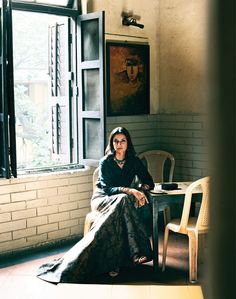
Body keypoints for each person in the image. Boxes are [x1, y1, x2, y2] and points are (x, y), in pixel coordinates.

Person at [37, 127, 155, 283]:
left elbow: (149, 182)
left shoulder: (134, 160)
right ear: (112, 143)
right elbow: (107, 189)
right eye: (116, 141)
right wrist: (131, 191)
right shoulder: (106, 161)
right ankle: (136, 253)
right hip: (102, 199)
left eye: (123, 141)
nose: (119, 144)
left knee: (122, 203)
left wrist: (141, 190)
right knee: (123, 200)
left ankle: (116, 263)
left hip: (121, 202)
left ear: (128, 143)